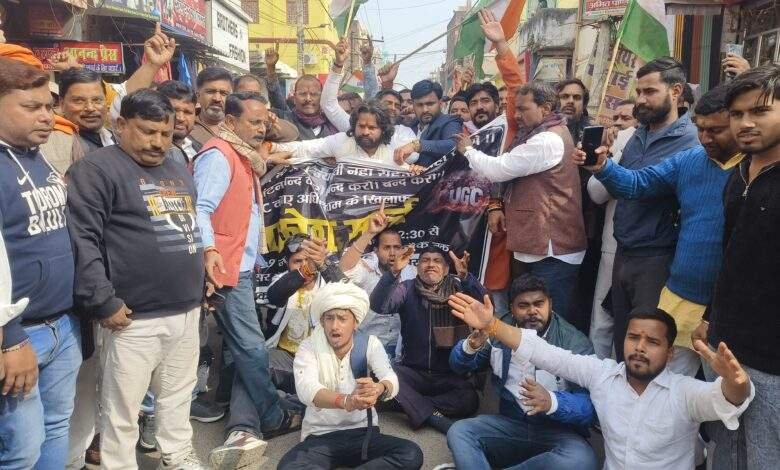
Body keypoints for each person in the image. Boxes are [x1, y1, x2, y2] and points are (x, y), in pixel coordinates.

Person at [450, 294, 755, 470]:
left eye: (652, 341)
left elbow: (724, 398)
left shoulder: (683, 392)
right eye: (633, 337)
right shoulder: (604, 375)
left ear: (670, 352)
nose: (640, 347)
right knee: (461, 431)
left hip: (558, 435)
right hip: (521, 427)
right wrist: (492, 325)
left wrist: (736, 382)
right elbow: (546, 353)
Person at [66, 89, 206, 469]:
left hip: (185, 309)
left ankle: (178, 456)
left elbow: (188, 228)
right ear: (121, 125)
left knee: (177, 398)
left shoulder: (177, 169)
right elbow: (82, 239)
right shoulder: (97, 170)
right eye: (147, 131)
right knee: (121, 411)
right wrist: (102, 300)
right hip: (131, 318)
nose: (157, 142)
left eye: (165, 133)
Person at [576, 85, 743, 376]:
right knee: (663, 388)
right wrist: (602, 166)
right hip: (678, 298)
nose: (705, 138)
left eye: (715, 130)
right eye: (700, 129)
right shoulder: (690, 160)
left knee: (722, 393)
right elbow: (638, 184)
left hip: (724, 310)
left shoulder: (754, 170)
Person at [194, 92, 301, 468]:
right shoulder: (218, 155)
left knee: (243, 348)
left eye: (264, 122)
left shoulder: (243, 155)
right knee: (252, 348)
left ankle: (251, 412)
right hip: (225, 268)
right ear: (231, 121)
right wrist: (210, 252)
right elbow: (201, 209)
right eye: (254, 122)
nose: (261, 129)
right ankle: (271, 416)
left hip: (239, 264)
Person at [695, 64, 780, 469]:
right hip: (726, 348)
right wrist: (711, 316)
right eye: (737, 114)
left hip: (771, 360)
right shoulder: (740, 173)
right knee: (726, 449)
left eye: (760, 111)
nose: (745, 123)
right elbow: (730, 254)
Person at [0, 57, 81, 470]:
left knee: (56, 427)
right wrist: (10, 337)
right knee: (20, 450)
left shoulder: (37, 157)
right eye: (31, 107)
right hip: (18, 336)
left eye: (48, 106)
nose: (47, 116)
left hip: (63, 325)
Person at [455, 78, 586, 323]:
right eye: (516, 109)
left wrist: (469, 151)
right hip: (537, 247)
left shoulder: (547, 140)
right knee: (532, 323)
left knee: (550, 323)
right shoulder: (540, 134)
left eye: (523, 109)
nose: (517, 115)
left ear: (545, 109)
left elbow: (499, 169)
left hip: (552, 250)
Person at [447, 274, 598, 470]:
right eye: (523, 305)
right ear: (512, 308)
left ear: (550, 304)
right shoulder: (498, 328)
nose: (532, 311)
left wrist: (553, 402)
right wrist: (470, 347)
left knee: (582, 460)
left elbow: (591, 408)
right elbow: (459, 367)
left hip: (557, 433)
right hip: (511, 425)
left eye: (539, 304)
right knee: (460, 432)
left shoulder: (574, 341)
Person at [605, 57, 700, 362]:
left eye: (650, 92)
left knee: (646, 347)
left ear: (676, 91)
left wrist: (601, 167)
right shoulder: (637, 135)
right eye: (638, 92)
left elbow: (640, 185)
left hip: (657, 257)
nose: (641, 100)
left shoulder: (692, 141)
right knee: (624, 339)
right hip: (624, 251)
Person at [277, 282, 423, 470]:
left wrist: (378, 389)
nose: (334, 326)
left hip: (363, 434)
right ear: (322, 321)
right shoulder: (309, 346)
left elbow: (390, 378)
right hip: (320, 436)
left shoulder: (370, 344)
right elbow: (307, 390)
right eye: (329, 318)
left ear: (355, 323)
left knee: (410, 454)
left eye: (342, 319)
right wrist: (347, 401)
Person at [370, 246, 483, 433]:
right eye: (425, 260)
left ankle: (411, 405)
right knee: (383, 376)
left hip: (448, 375)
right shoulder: (407, 288)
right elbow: (379, 305)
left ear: (446, 269)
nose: (430, 264)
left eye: (437, 261)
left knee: (469, 399)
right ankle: (433, 416)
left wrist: (466, 277)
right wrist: (394, 271)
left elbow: (486, 306)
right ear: (417, 267)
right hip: (412, 372)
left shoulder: (459, 289)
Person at [319, 38, 419, 163]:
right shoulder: (356, 126)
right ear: (376, 106)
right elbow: (328, 104)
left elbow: (413, 156)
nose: (392, 108)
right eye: (387, 103)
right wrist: (338, 64)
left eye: (397, 105)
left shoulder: (403, 132)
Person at [339, 205, 416, 358]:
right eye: (386, 248)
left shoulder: (412, 273)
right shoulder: (367, 269)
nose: (392, 253)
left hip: (401, 347)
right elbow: (344, 269)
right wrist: (370, 233)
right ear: (376, 251)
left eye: (397, 247)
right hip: (366, 344)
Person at [265, 235, 338, 393]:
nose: (305, 266)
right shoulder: (280, 280)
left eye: (309, 260)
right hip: (286, 358)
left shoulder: (328, 284)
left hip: (321, 362)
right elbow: (274, 295)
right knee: (251, 363)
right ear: (287, 264)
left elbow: (346, 291)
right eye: (297, 261)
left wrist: (324, 264)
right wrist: (306, 270)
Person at [271, 102, 413, 169]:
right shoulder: (342, 142)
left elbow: (409, 171)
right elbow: (305, 148)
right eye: (361, 126)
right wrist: (272, 147)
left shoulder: (394, 154)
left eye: (372, 128)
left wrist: (414, 170)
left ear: (383, 130)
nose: (365, 132)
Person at [393, 79, 462, 167]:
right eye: (419, 105)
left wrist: (417, 146)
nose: (425, 110)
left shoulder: (450, 121)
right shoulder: (409, 125)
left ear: (440, 103)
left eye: (430, 104)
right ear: (413, 106)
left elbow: (453, 144)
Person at [189, 67, 233, 150]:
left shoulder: (239, 127)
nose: (217, 99)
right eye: (210, 92)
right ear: (198, 96)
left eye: (223, 93)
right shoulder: (185, 128)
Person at [157, 80, 198, 166]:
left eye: (187, 112)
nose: (181, 118)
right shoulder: (153, 152)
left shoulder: (198, 147)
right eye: (174, 111)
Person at [556, 78, 592, 143]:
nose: (571, 101)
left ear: (584, 105)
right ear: (555, 101)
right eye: (565, 96)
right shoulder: (541, 130)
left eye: (577, 97)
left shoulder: (592, 134)